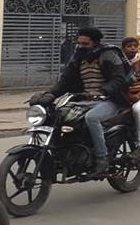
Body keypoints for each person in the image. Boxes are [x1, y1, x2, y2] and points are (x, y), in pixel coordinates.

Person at [44, 27, 131, 174]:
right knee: (58, 115)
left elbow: (119, 78)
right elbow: (66, 80)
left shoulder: (108, 54)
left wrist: (102, 91)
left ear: (95, 43)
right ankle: (66, 153)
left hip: (110, 100)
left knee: (91, 118)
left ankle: (101, 158)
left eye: (85, 44)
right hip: (84, 100)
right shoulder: (78, 57)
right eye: (79, 43)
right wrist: (50, 94)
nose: (80, 46)